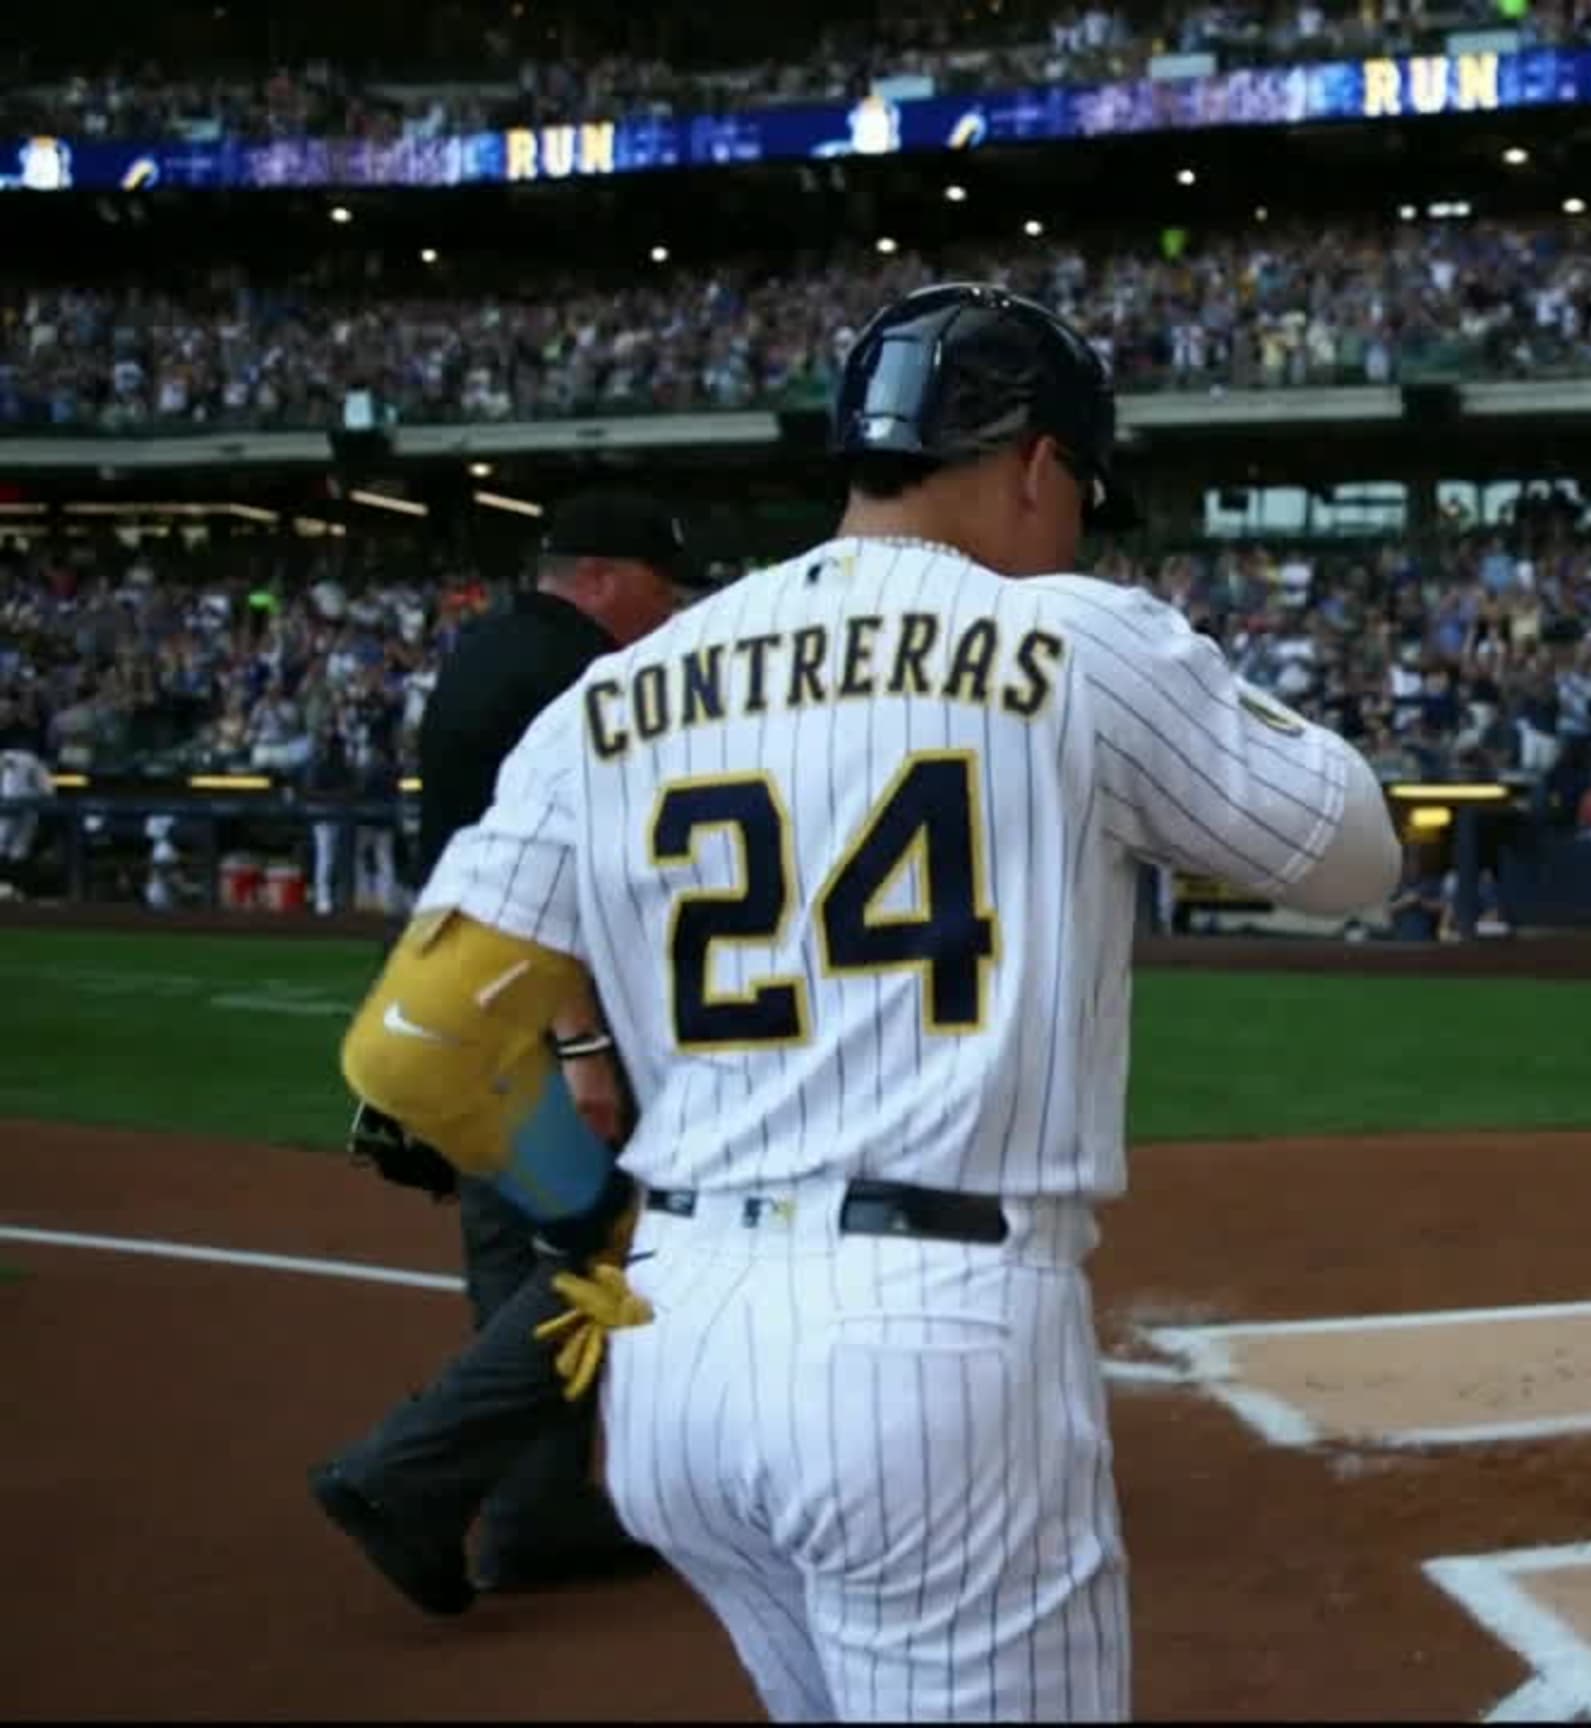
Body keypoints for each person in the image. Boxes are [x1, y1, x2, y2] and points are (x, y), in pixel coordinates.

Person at [333, 283, 1401, 1721]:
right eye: (1080, 487)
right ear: (1034, 463)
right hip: (929, 1333)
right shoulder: (1078, 640)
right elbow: (1353, 857)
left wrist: (591, 1212)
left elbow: (414, 1048)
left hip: (675, 1346)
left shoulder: (616, 692)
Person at [309, 491, 694, 1614]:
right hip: (533, 1009)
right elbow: (554, 875)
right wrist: (582, 1044)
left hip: (461, 1009)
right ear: (610, 579)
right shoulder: (574, 678)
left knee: (517, 1250)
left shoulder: (484, 651)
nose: (666, 617)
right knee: (602, 1252)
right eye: (661, 592)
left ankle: (537, 1515)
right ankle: (401, 1475)